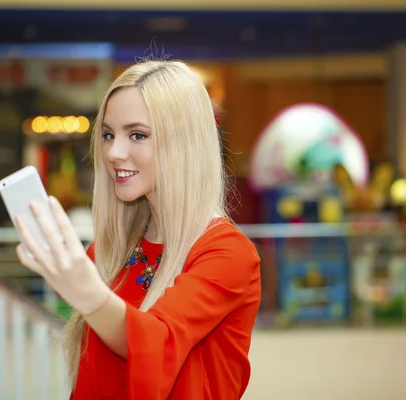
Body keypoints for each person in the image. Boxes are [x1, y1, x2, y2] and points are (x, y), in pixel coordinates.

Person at [15, 59, 261, 399]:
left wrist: (88, 293)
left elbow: (156, 340)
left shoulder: (227, 253)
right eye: (108, 134)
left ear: (184, 143)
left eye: (137, 135)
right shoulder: (111, 250)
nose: (114, 152)